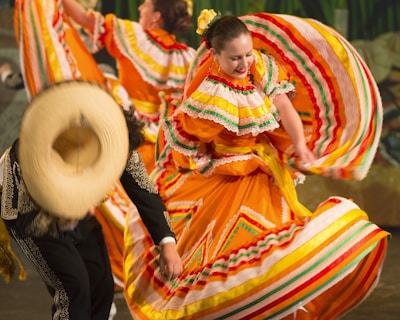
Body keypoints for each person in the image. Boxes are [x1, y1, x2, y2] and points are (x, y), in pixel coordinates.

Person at [122, 10, 391, 319]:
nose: (244, 63)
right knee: (230, 256)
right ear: (215, 54)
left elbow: (283, 106)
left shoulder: (259, 67)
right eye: (235, 58)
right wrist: (194, 159)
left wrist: (300, 146)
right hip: (225, 178)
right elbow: (189, 138)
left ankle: (283, 307)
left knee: (278, 246)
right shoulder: (208, 88)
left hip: (263, 173)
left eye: (248, 53)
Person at [0, 91, 182, 319]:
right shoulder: (55, 137)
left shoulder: (118, 141)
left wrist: (167, 244)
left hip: (74, 208)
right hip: (32, 207)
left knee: (100, 286)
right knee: (73, 286)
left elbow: (145, 191)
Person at [61, 0, 196, 173]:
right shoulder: (186, 57)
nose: (140, 8)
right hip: (158, 143)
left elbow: (84, 18)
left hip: (122, 124)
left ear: (156, 17)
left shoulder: (134, 35)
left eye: (145, 5)